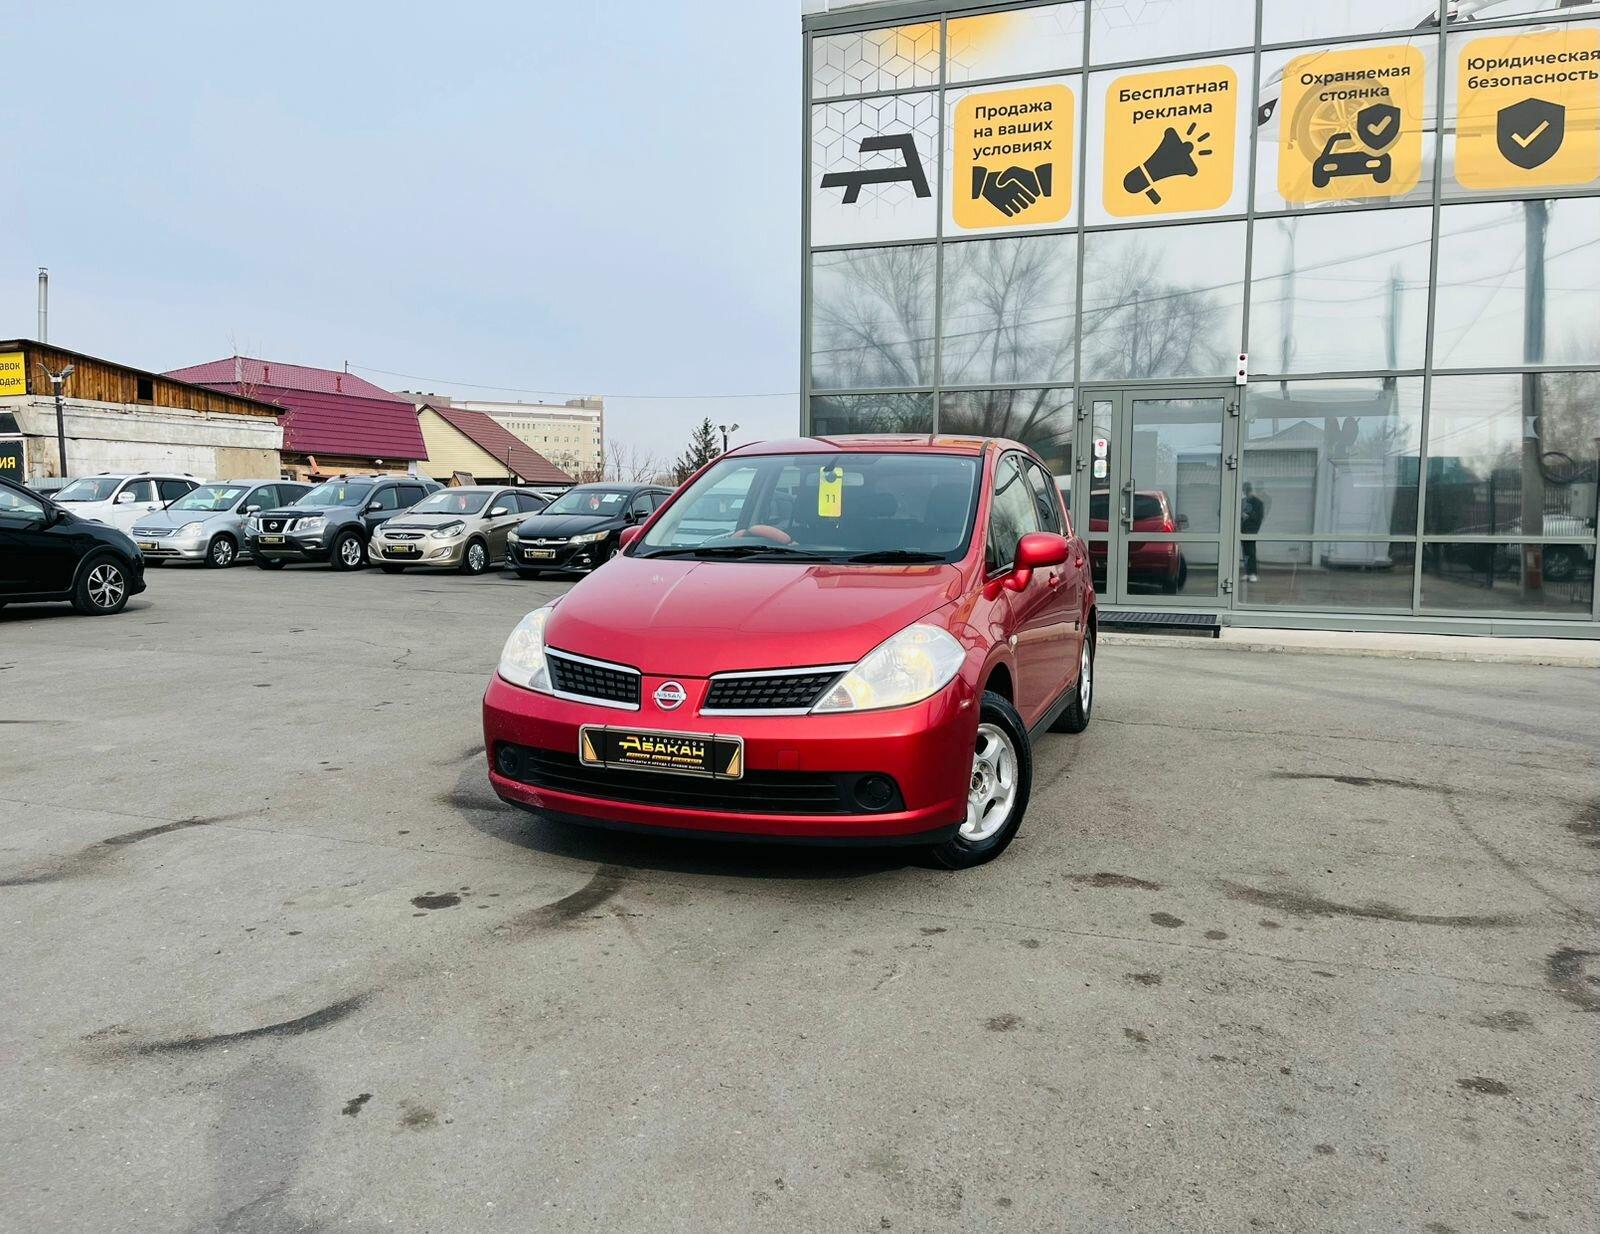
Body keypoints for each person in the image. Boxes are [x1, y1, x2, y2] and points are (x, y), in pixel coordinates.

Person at [1240, 482, 1265, 582]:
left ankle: (1253, 573)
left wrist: (1248, 516)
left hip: (1251, 530)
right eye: (1245, 491)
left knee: (1251, 551)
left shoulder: (1258, 503)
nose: (1246, 493)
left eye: (1247, 490)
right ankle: (1248, 572)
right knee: (1245, 552)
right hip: (1242, 530)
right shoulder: (1243, 501)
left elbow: (1259, 517)